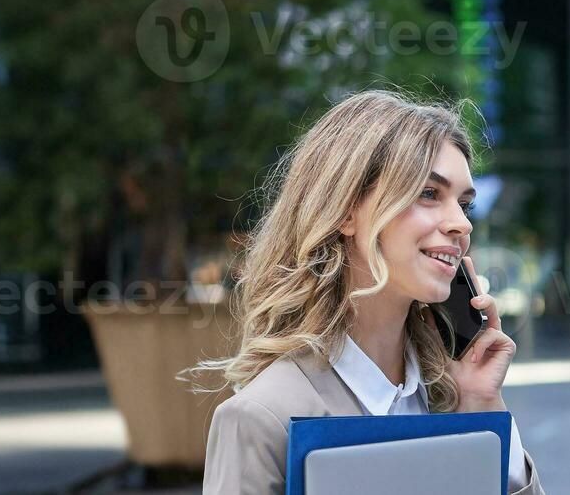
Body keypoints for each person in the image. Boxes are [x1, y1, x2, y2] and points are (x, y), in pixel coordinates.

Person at [193, 90, 544, 494]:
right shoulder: (264, 416)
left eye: (464, 204)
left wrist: (483, 407)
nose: (461, 224)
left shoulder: (453, 401)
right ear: (345, 210)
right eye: (429, 193)